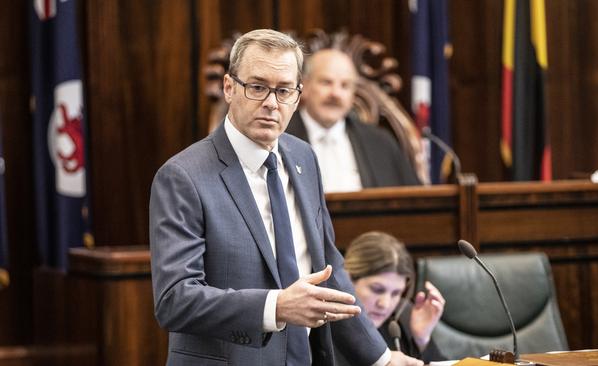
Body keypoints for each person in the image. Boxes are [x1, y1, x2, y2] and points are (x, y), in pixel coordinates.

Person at [149, 29, 423, 366]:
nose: (270, 103)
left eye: (283, 90)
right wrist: (275, 306)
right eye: (257, 87)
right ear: (229, 87)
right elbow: (175, 299)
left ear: (297, 96)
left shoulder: (302, 158)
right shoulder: (182, 176)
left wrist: (381, 358)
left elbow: (329, 271)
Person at [285, 48, 420, 193]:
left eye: (345, 86)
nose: (335, 94)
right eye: (326, 82)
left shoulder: (379, 142)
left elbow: (414, 203)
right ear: (305, 87)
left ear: (353, 94)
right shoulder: (278, 138)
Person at [339, 231, 447, 365]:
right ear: (347, 279)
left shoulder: (402, 318)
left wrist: (421, 340)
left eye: (396, 293)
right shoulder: (325, 324)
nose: (385, 304)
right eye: (377, 289)